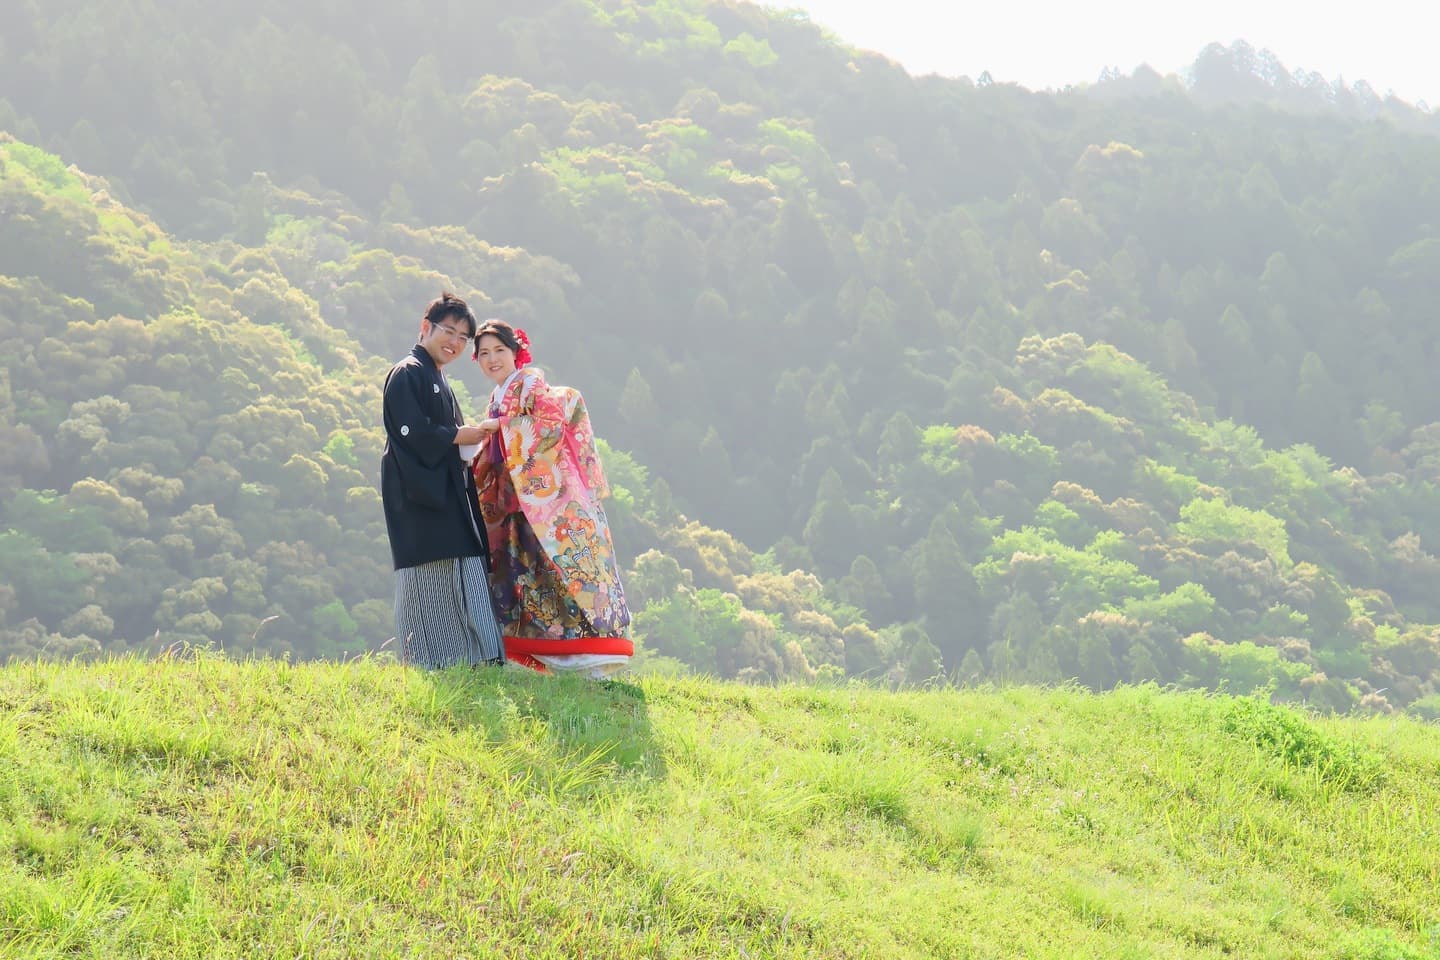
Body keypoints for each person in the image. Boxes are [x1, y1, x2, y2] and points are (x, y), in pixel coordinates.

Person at [470, 320, 633, 676]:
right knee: (524, 574)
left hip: (546, 499)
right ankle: (536, 652)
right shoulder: (498, 395)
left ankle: (583, 653)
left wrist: (504, 427)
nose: (492, 359)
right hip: (516, 500)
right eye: (484, 354)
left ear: (516, 352)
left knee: (558, 570)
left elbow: (550, 424)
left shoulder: (531, 383)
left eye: (499, 350)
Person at [380, 292, 505, 668]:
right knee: (428, 575)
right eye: (449, 331)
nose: (454, 342)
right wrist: (456, 435)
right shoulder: (407, 372)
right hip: (419, 497)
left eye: (463, 338)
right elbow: (411, 431)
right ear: (426, 327)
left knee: (466, 565)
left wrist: (469, 440)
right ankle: (433, 659)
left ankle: (481, 657)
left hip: (447, 492)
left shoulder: (436, 376)